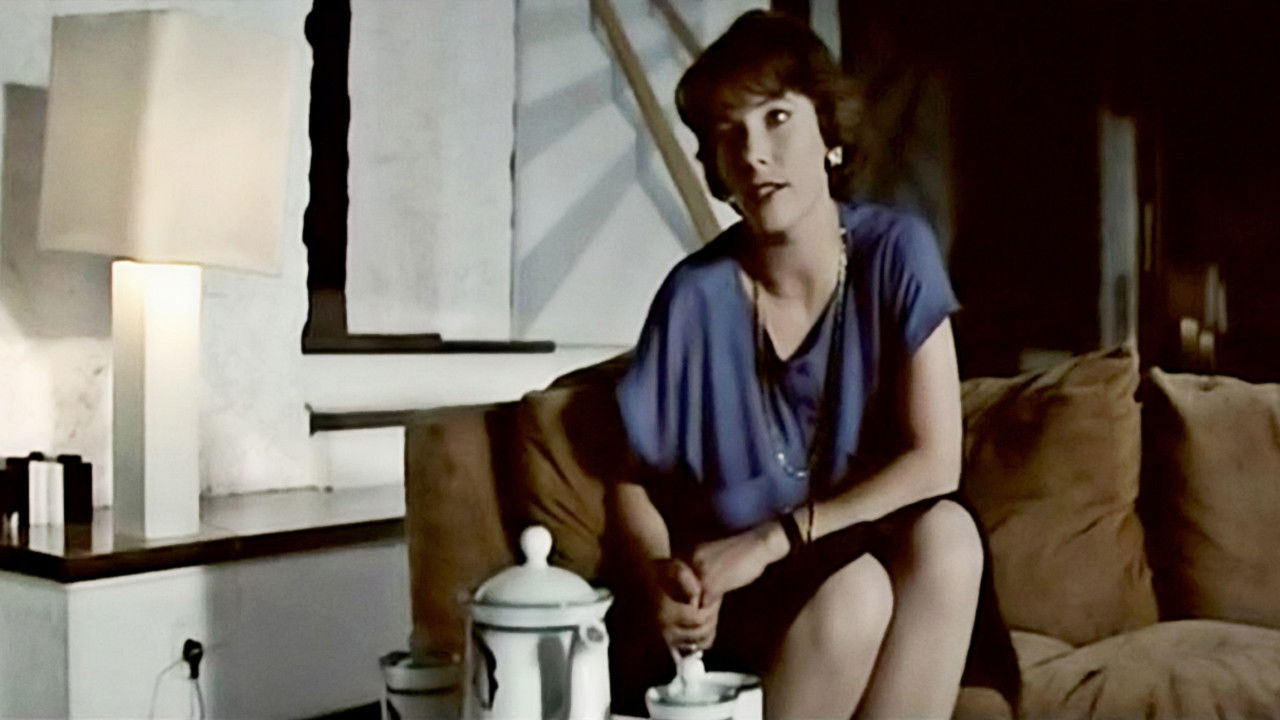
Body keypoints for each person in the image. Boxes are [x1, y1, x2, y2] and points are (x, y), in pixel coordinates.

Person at [605, 10, 1020, 719]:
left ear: (829, 134)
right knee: (858, 594)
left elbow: (937, 462)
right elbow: (631, 479)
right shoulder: (695, 296)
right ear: (718, 168)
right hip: (750, 596)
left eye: (776, 118)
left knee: (946, 534)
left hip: (862, 547)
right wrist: (658, 578)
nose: (754, 153)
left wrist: (776, 538)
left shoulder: (897, 251)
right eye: (729, 133)